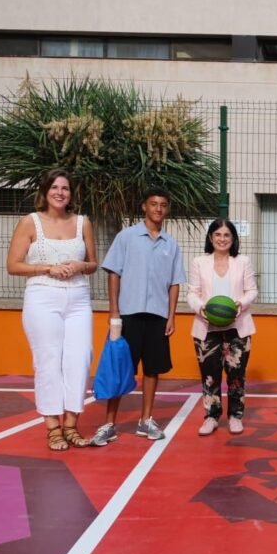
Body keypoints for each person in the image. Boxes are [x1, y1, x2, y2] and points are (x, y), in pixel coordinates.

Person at [6, 169, 98, 450]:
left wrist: (81, 265)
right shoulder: (30, 222)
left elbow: (93, 264)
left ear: (71, 193)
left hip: (78, 298)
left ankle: (71, 425)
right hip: (42, 297)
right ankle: (53, 427)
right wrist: (48, 268)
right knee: (48, 360)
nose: (60, 193)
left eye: (65, 188)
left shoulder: (83, 222)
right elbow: (13, 265)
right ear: (45, 191)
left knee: (80, 359)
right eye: (55, 188)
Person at [90, 187, 185, 446]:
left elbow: (175, 283)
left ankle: (145, 420)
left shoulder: (171, 244)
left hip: (157, 316)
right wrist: (114, 312)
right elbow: (114, 273)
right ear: (144, 206)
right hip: (128, 314)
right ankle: (109, 424)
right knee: (120, 368)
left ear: (167, 209)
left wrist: (171, 316)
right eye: (153, 203)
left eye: (163, 204)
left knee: (152, 369)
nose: (158, 208)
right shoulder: (127, 237)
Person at [187, 219, 258, 435]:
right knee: (210, 375)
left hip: (237, 327)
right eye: (217, 234)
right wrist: (202, 308)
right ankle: (211, 417)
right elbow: (192, 293)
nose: (222, 239)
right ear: (210, 238)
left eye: (227, 235)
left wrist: (240, 304)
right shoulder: (199, 262)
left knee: (236, 375)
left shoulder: (242, 261)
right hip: (206, 327)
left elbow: (252, 291)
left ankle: (235, 416)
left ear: (233, 239)